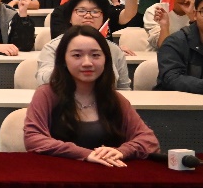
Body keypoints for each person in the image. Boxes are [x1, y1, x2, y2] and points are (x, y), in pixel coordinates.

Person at [25, 25, 158, 164]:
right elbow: (33, 139)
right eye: (77, 55)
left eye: (95, 55)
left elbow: (149, 140)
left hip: (105, 173)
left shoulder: (115, 99)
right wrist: (85, 154)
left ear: (106, 59)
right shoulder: (46, 94)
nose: (87, 63)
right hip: (58, 172)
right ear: (63, 60)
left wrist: (122, 151)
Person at [36, 0, 132, 89]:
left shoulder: (114, 50)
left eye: (95, 11)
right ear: (69, 17)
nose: (88, 16)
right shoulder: (53, 47)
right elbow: (43, 79)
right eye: (81, 11)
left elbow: (124, 88)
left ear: (103, 18)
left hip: (104, 98)